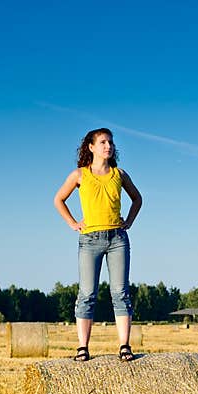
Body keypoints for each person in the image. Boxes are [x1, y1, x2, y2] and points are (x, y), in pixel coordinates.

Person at [53, 128, 143, 362]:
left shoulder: (119, 174)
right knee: (87, 294)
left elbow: (137, 198)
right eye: (102, 142)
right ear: (91, 147)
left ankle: (124, 345)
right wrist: (73, 223)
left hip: (117, 239)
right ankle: (82, 347)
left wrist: (129, 221)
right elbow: (58, 199)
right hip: (90, 240)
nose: (108, 146)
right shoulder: (80, 175)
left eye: (110, 142)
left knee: (120, 293)